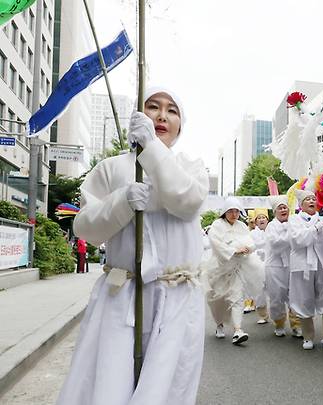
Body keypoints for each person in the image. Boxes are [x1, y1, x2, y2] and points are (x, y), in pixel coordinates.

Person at [58, 87, 208, 405]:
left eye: (172, 110)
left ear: (182, 123)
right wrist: (121, 201)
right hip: (121, 293)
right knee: (108, 386)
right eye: (152, 106)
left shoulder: (191, 167)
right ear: (138, 116)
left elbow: (187, 202)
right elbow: (86, 227)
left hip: (176, 299)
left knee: (167, 389)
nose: (162, 115)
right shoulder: (111, 168)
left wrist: (152, 150)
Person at [205, 198, 265, 345]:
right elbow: (216, 244)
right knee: (218, 299)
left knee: (237, 297)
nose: (234, 214)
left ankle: (238, 330)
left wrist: (247, 249)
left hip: (238, 266)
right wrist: (233, 250)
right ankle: (219, 324)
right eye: (230, 211)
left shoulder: (242, 226)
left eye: (236, 211)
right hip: (219, 268)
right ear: (224, 212)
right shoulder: (217, 225)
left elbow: (250, 242)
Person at [288, 188, 323, 351]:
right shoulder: (294, 220)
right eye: (308, 199)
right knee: (304, 299)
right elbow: (299, 240)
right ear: (301, 204)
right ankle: (308, 336)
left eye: (313, 199)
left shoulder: (322, 219)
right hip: (302, 266)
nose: (312, 201)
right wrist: (316, 228)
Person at [265, 196, 302, 337]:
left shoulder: (294, 223)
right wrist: (292, 236)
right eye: (280, 208)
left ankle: (296, 324)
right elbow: (275, 245)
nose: (283, 210)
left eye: (285, 207)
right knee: (277, 296)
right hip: (275, 266)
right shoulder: (271, 226)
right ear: (275, 212)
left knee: (295, 294)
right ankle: (279, 323)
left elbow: (301, 240)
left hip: (292, 264)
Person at [249, 208, 271, 324]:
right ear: (255, 221)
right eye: (259, 218)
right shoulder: (252, 233)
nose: (262, 220)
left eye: (264, 217)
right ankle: (262, 315)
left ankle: (278, 315)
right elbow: (252, 246)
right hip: (257, 264)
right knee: (259, 290)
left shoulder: (272, 230)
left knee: (275, 289)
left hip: (272, 263)